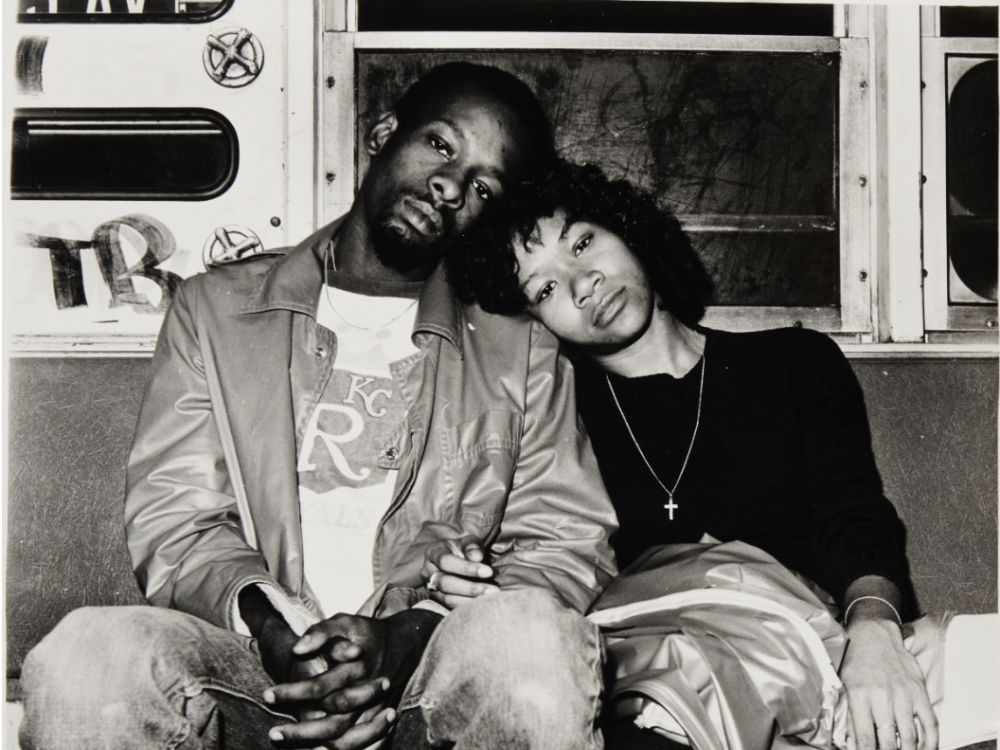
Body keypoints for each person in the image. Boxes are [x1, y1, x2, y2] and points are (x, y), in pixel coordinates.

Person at [18, 66, 619, 750]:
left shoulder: (522, 349)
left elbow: (564, 544)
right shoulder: (214, 311)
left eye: (484, 186)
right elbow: (176, 519)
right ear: (384, 134)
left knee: (531, 643)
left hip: (429, 676)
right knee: (91, 654)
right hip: (252, 671)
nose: (451, 185)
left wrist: (407, 633)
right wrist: (275, 630)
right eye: (442, 146)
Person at [426, 160, 998, 750]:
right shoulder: (556, 415)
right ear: (534, 322)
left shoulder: (795, 363)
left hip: (823, 648)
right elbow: (545, 557)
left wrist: (876, 634)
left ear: (629, 230)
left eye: (583, 241)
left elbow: (852, 514)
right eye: (543, 288)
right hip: (663, 692)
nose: (581, 283)